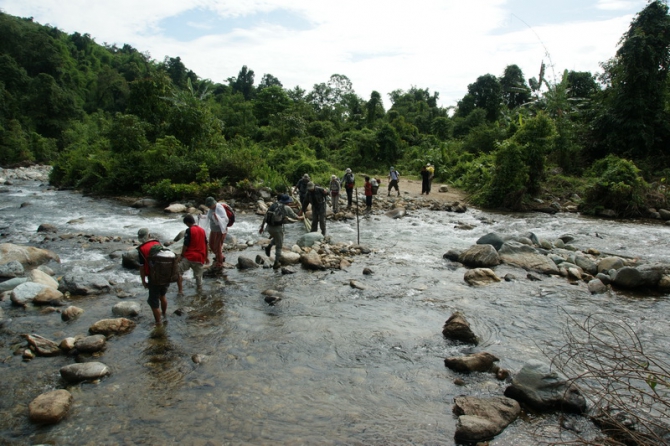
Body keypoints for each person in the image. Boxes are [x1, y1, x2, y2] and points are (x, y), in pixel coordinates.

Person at [259, 194, 304, 269]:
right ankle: (276, 263)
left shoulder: (273, 205)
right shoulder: (286, 208)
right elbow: (295, 216)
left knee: (277, 238)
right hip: (277, 228)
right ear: (287, 202)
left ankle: (269, 247)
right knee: (279, 245)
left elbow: (265, 216)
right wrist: (302, 217)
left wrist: (262, 227)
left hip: (269, 227)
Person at [137, 228, 169, 326]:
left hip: (154, 277)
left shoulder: (142, 249)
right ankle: (164, 314)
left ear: (140, 238)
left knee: (153, 301)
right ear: (149, 235)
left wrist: (143, 281)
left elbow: (142, 267)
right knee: (162, 295)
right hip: (165, 274)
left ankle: (158, 323)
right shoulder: (158, 243)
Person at [177, 215, 208, 295]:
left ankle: (180, 291)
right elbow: (206, 244)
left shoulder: (189, 230)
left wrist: (181, 255)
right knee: (198, 276)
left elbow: (186, 244)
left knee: (178, 272)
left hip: (189, 256)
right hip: (200, 257)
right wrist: (206, 257)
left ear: (187, 223)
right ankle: (199, 291)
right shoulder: (202, 230)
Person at [205, 196, 229, 270]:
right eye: (208, 205)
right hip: (214, 229)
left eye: (210, 205)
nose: (209, 207)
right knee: (211, 244)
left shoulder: (219, 208)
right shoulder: (211, 209)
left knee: (217, 246)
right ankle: (220, 256)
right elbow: (208, 217)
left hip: (221, 230)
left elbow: (225, 219)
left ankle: (220, 262)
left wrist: (217, 217)